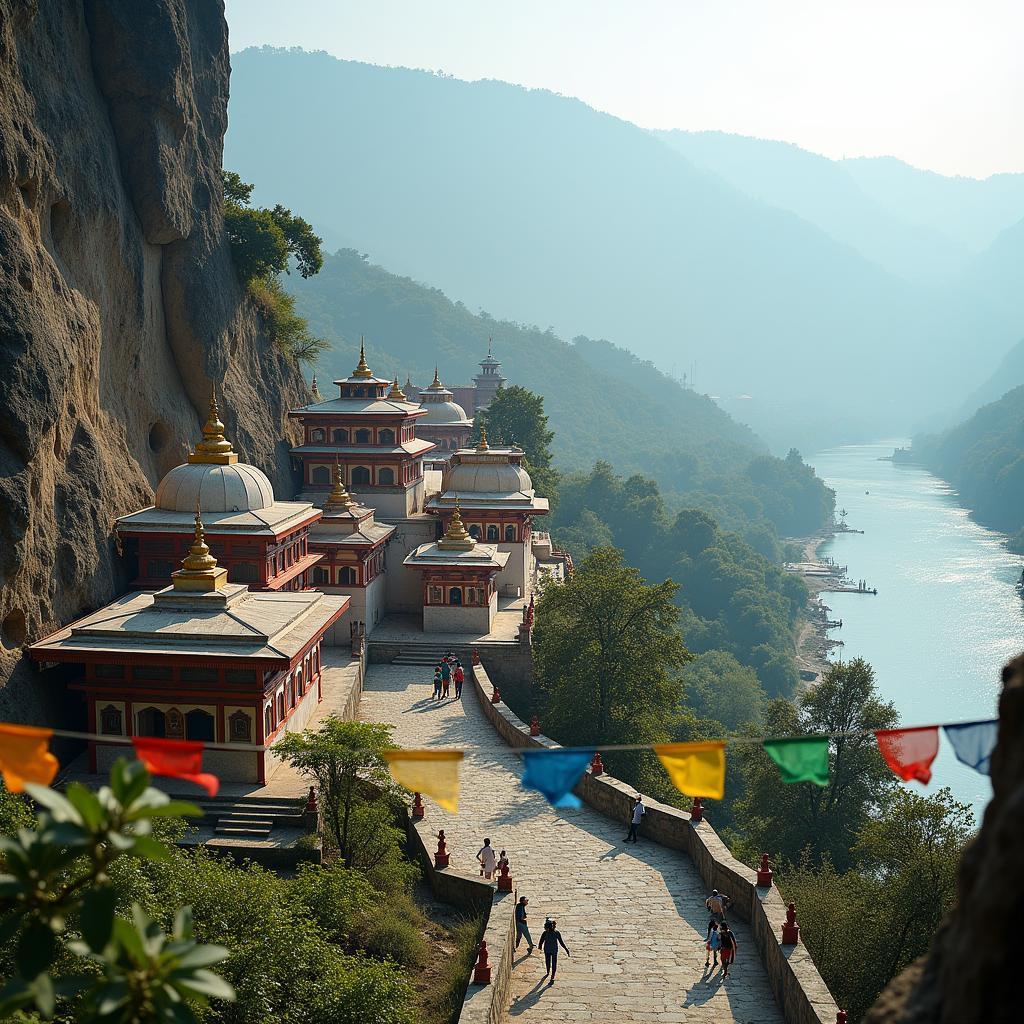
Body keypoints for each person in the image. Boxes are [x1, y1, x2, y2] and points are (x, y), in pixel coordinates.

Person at [538, 919, 570, 983]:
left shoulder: (555, 933)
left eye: (545, 927)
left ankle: (552, 977)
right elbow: (541, 941)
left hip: (552, 950)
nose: (544, 928)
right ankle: (548, 971)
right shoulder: (546, 933)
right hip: (549, 950)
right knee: (548, 962)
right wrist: (540, 946)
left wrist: (566, 949)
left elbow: (561, 942)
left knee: (553, 963)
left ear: (548, 928)